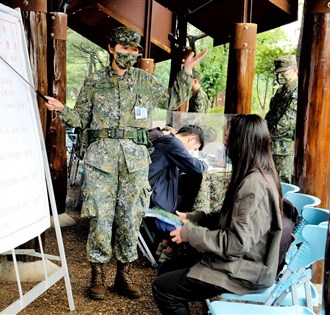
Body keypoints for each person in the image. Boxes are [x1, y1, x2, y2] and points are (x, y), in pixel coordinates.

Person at [44, 26, 207, 300]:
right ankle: (98, 276)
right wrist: (62, 110)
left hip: (134, 163)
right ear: (111, 48)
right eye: (124, 48)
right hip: (101, 162)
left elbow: (171, 100)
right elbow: (81, 118)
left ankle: (124, 274)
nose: (129, 54)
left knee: (130, 217)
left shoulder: (144, 80)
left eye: (134, 50)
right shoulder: (94, 81)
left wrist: (186, 72)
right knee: (99, 218)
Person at [152, 114, 283, 314]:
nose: (225, 146)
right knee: (166, 270)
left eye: (229, 141)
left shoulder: (253, 184)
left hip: (245, 269)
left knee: (164, 289)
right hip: (238, 261)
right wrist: (195, 218)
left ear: (243, 143)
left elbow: (235, 244)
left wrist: (189, 234)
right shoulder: (257, 173)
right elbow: (230, 217)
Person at [148, 125, 208, 262]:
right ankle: (168, 254)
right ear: (192, 139)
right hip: (154, 203)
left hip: (152, 194)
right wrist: (206, 164)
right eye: (194, 148)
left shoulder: (165, 140)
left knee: (184, 206)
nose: (192, 152)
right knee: (189, 223)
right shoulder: (172, 143)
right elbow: (195, 166)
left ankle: (164, 246)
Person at [265, 55, 298, 183]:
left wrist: (266, 135)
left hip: (284, 149)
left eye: (283, 72)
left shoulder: (297, 91)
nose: (279, 76)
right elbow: (270, 115)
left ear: (294, 69)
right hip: (271, 146)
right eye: (278, 72)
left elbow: (287, 122)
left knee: (283, 184)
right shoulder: (280, 91)